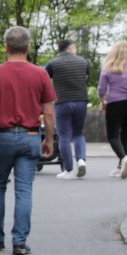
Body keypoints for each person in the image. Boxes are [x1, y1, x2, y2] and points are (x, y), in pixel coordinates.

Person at [0, 25, 56, 255]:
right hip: (31, 136)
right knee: (24, 190)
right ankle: (19, 242)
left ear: (6, 47)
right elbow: (49, 112)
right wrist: (49, 139)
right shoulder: (41, 74)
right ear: (27, 47)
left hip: (2, 137)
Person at [44, 38, 90, 179]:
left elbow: (44, 79)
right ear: (69, 49)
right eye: (74, 48)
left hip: (63, 102)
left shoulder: (53, 63)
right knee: (78, 133)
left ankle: (68, 170)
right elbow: (85, 78)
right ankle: (81, 160)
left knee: (64, 136)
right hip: (81, 101)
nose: (75, 50)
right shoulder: (83, 62)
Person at [96, 41, 127, 179]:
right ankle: (120, 167)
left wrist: (103, 101)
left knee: (113, 136)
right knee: (126, 135)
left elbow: (101, 89)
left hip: (115, 104)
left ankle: (124, 159)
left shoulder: (109, 66)